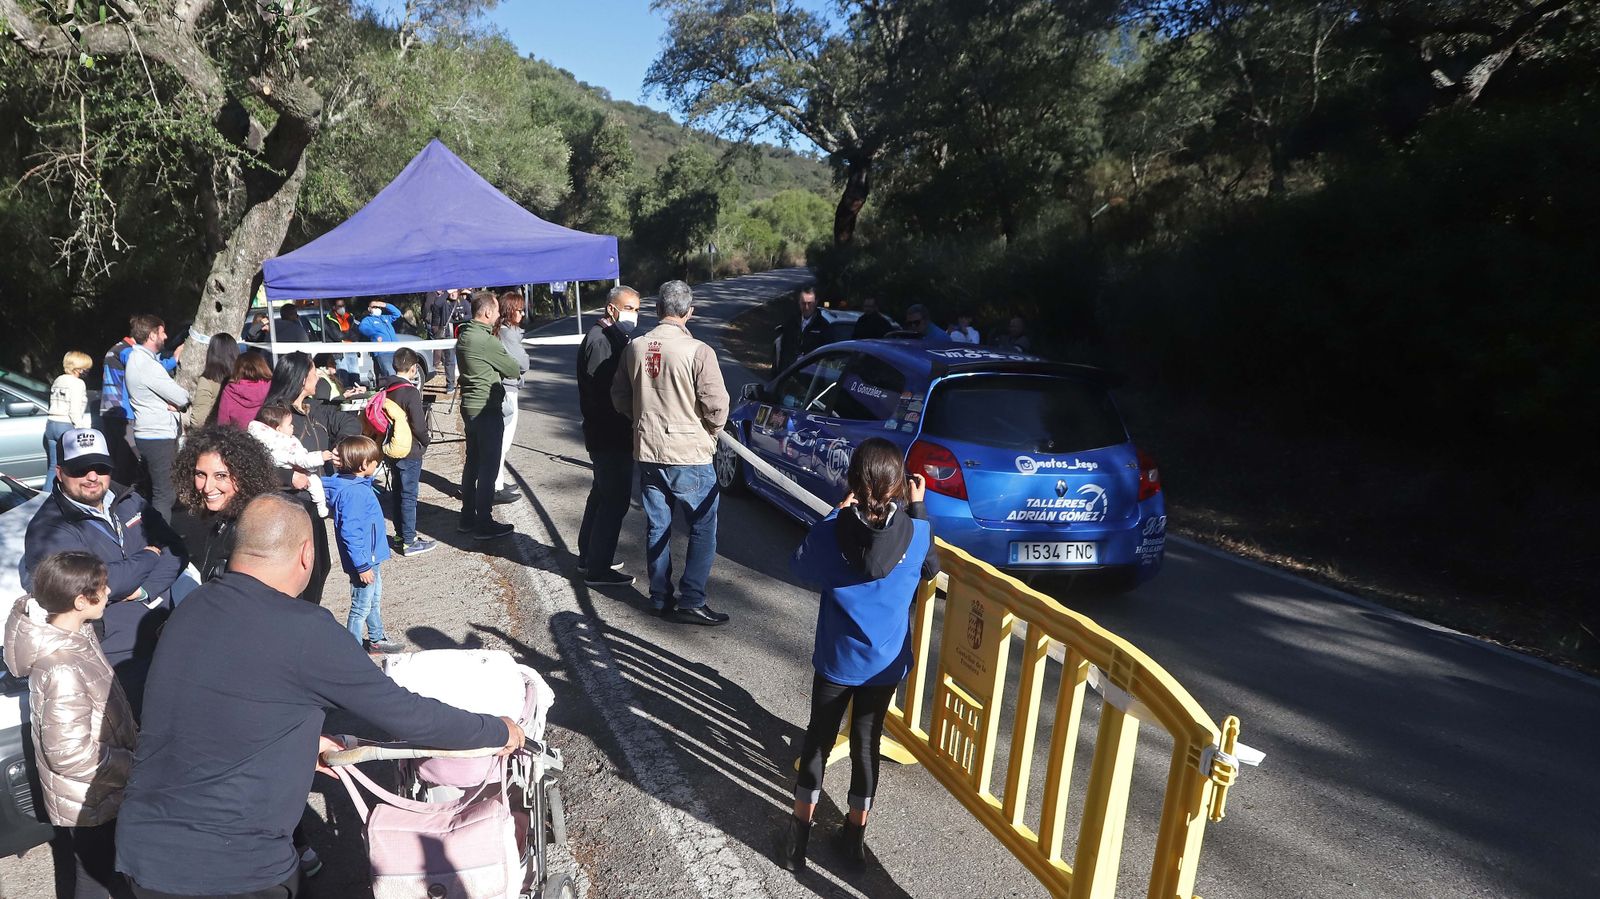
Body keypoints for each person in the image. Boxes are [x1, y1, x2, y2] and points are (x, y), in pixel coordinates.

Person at [115, 493, 524, 899]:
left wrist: (299, 740)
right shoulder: (305, 629)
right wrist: (495, 730)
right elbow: (405, 714)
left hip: (144, 852)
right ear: (306, 554)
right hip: (235, 868)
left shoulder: (193, 607)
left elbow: (214, 704)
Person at [777, 439, 939, 871]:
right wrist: (918, 509)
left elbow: (800, 565)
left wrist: (834, 511)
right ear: (901, 487)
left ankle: (797, 841)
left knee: (818, 741)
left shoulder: (834, 531)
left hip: (836, 660)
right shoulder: (917, 531)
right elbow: (930, 571)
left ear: (853, 483)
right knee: (867, 745)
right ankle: (854, 841)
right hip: (884, 665)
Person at [4, 552, 139, 899]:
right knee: (95, 878)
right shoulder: (61, 666)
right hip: (90, 798)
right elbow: (69, 754)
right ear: (81, 601)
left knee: (104, 871)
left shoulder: (78, 634)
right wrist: (130, 764)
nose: (109, 592)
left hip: (100, 790)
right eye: (103, 588)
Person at [22, 428, 183, 716]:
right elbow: (89, 586)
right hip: (114, 656)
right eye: (80, 469)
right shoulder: (49, 528)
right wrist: (148, 555)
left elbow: (175, 548)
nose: (92, 477)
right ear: (59, 472)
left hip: (165, 633)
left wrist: (146, 589)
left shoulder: (129, 500)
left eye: (100, 467)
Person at [611, 280, 730, 625]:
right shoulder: (698, 351)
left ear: (658, 310)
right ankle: (692, 597)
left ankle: (659, 595)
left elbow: (619, 395)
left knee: (657, 524)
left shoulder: (635, 346)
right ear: (689, 312)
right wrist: (710, 431)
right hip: (688, 453)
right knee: (703, 525)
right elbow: (716, 406)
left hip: (648, 449)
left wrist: (642, 418)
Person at [262, 352, 357, 602]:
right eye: (315, 373)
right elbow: (254, 461)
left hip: (313, 505)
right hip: (287, 508)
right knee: (296, 576)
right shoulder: (273, 417)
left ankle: (307, 618)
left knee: (320, 566)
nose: (319, 377)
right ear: (303, 379)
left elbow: (347, 422)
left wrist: (341, 446)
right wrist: (287, 477)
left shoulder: (313, 409)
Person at [576, 286, 641, 588]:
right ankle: (598, 568)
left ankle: (590, 555)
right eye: (629, 308)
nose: (634, 315)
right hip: (609, 434)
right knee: (614, 500)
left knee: (602, 494)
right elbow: (603, 395)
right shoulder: (601, 341)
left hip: (609, 434)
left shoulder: (612, 337)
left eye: (638, 309)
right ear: (612, 309)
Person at [167, 426, 279, 583]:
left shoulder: (255, 532)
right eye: (201, 474)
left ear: (244, 475)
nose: (207, 487)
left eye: (220, 476)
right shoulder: (223, 518)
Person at [319, 436, 400, 654]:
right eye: (375, 462)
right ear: (364, 465)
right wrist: (362, 566)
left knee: (373, 599)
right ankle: (352, 651)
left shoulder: (355, 484)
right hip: (364, 560)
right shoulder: (353, 492)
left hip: (370, 557)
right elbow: (350, 533)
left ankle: (377, 638)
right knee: (360, 607)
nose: (376, 465)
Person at [456, 290, 520, 540]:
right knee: (489, 467)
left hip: (470, 407)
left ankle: (467, 517)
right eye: (495, 311)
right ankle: (484, 521)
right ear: (486, 312)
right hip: (486, 408)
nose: (497, 316)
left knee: (472, 462)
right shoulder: (486, 341)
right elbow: (513, 368)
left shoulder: (464, 335)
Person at [100, 321, 181, 493]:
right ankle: (122, 502)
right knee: (128, 463)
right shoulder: (129, 352)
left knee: (118, 462)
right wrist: (174, 360)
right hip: (123, 413)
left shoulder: (116, 348)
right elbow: (149, 370)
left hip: (109, 410)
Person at [123, 315, 189, 523]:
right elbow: (181, 396)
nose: (166, 336)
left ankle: (155, 538)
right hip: (157, 436)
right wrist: (177, 401)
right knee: (164, 495)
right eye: (162, 332)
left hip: (150, 434)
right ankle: (161, 544)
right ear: (152, 335)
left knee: (156, 492)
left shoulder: (140, 360)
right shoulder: (146, 365)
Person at [378, 347, 435, 558]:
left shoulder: (386, 388)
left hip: (392, 448)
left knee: (398, 493)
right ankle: (410, 541)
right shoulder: (410, 392)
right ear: (413, 369)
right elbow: (418, 425)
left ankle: (401, 535)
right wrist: (426, 441)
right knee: (409, 496)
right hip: (410, 450)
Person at [247, 406, 334, 518]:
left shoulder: (270, 443)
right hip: (296, 476)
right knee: (316, 483)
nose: (293, 426)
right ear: (278, 429)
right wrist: (321, 456)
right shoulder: (284, 446)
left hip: (289, 477)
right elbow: (302, 459)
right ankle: (321, 506)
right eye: (289, 425)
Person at [492, 291, 531, 505]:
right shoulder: (508, 333)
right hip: (508, 389)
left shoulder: (503, 331)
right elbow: (523, 363)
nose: (522, 313)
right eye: (519, 309)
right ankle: (495, 486)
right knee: (503, 440)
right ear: (510, 311)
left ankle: (497, 480)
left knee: (502, 440)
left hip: (506, 388)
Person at [45, 351, 94, 494]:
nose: (87, 371)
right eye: (86, 367)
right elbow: (74, 411)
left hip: (51, 423)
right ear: (78, 367)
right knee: (72, 465)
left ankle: (45, 499)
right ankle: (72, 496)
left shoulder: (58, 380)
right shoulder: (78, 383)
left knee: (54, 466)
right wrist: (81, 429)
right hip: (66, 425)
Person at [184, 334, 237, 434]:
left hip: (215, 435)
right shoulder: (241, 379)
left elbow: (198, 420)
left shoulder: (208, 381)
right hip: (239, 434)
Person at [214, 349, 274, 428]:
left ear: (237, 368)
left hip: (238, 438)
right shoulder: (271, 387)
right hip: (266, 437)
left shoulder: (230, 390)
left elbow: (223, 423)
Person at [776, 285, 829, 372]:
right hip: (789, 374)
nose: (806, 307)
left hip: (809, 377)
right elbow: (783, 352)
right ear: (799, 303)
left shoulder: (823, 326)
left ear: (816, 302)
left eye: (810, 303)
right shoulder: (791, 323)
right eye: (803, 303)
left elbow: (826, 359)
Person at [426, 288, 470, 392]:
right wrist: (447, 293)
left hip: (461, 333)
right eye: (451, 292)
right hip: (447, 334)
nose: (453, 294)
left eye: (455, 292)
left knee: (465, 358)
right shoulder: (444, 301)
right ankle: (450, 384)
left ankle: (466, 382)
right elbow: (436, 304)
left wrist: (460, 318)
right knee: (449, 360)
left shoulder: (462, 301)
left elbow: (471, 313)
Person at [357, 299, 403, 378]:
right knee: (390, 374)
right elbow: (362, 328)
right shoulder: (367, 320)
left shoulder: (385, 318)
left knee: (399, 374)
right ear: (369, 309)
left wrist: (385, 305)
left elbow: (397, 313)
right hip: (382, 352)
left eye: (379, 307)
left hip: (395, 350)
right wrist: (374, 335)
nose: (377, 308)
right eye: (374, 307)